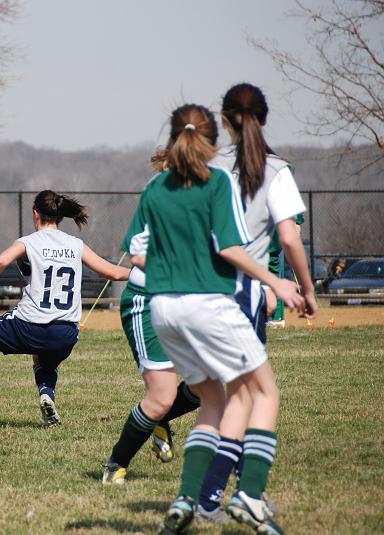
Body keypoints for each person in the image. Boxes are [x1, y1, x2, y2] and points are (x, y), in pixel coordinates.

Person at [122, 104, 308, 535]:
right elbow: (229, 249)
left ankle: (187, 500)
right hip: (209, 304)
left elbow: (135, 252)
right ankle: (249, 497)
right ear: (213, 142)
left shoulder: (155, 187)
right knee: (265, 394)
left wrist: (173, 267)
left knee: (213, 402)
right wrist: (274, 283)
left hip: (165, 311)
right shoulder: (218, 182)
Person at [195, 83, 318, 524]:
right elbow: (289, 237)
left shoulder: (206, 167)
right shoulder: (276, 170)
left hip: (197, 294)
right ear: (264, 119)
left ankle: (212, 497)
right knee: (257, 395)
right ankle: (241, 493)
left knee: (234, 398)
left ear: (225, 121)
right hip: (242, 294)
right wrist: (306, 288)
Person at [0, 190, 129, 426]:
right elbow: (112, 272)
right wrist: (142, 274)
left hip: (29, 325)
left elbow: (0, 261)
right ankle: (46, 397)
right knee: (44, 359)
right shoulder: (75, 244)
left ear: (35, 214)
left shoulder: (28, 242)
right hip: (66, 333)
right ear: (60, 216)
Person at [101, 152, 202, 485]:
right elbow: (137, 254)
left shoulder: (213, 189)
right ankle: (115, 464)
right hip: (147, 301)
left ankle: (160, 420)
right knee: (160, 396)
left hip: (188, 300)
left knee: (209, 384)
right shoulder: (159, 191)